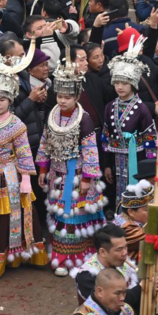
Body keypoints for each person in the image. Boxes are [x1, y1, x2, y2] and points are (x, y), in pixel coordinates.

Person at [0, 39, 48, 284]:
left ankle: (15, 255)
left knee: (10, 216)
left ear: (10, 100)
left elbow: (24, 153)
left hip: (10, 177)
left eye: (2, 99)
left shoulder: (16, 124)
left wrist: (26, 181)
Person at [36, 55, 105, 277]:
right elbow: (44, 143)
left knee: (74, 217)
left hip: (76, 174)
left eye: (67, 96)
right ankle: (61, 256)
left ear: (76, 96)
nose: (62, 100)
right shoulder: (52, 114)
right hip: (57, 173)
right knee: (60, 217)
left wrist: (87, 178)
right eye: (59, 96)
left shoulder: (83, 119)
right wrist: (44, 169)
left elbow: (91, 150)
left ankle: (77, 258)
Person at [102, 36, 156, 204]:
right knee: (117, 192)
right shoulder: (110, 106)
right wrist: (107, 165)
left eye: (124, 83)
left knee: (136, 193)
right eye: (117, 82)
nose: (120, 87)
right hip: (116, 158)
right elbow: (105, 138)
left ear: (132, 84)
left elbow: (150, 141)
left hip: (137, 158)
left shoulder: (141, 108)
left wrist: (149, 170)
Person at [72, 224, 150, 310]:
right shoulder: (86, 276)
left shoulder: (120, 262)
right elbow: (110, 304)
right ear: (102, 252)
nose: (125, 253)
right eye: (119, 249)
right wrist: (141, 288)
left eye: (125, 247)